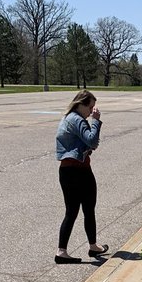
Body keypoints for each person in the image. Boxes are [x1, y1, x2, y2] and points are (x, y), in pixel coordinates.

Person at [54, 90, 108, 264]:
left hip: (68, 170)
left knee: (74, 210)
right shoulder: (77, 119)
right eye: (90, 107)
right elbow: (92, 140)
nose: (91, 111)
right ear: (81, 104)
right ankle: (84, 247)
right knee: (87, 209)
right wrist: (96, 121)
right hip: (78, 170)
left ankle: (71, 250)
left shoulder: (67, 118)